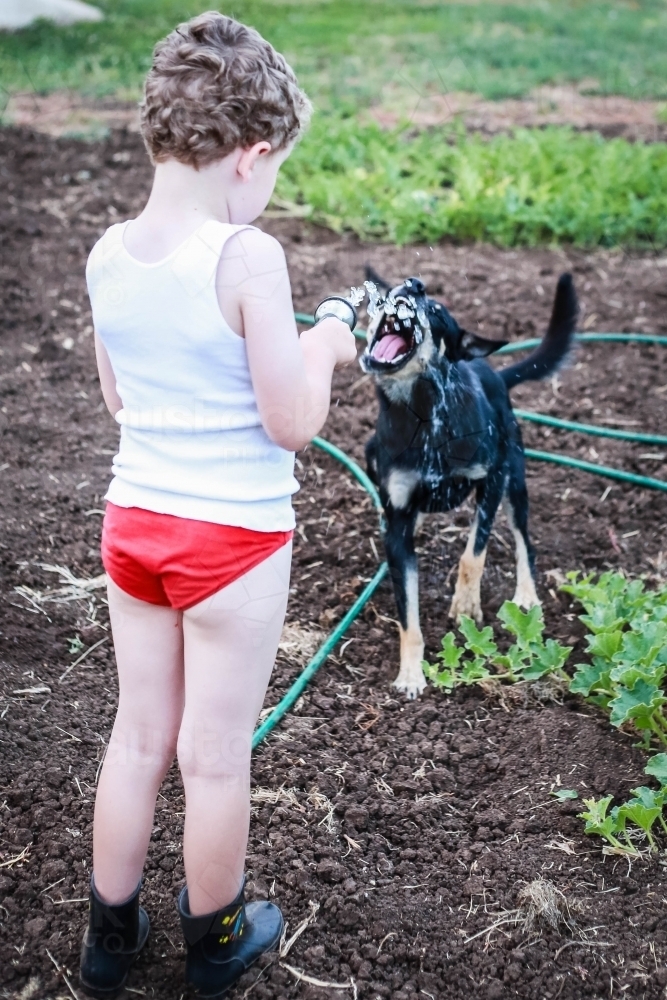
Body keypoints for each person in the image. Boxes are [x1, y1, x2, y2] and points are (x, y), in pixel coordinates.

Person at [80, 12, 356, 998]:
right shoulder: (247, 258)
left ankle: (107, 941)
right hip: (230, 542)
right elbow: (290, 422)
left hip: (134, 530)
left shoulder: (108, 254)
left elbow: (120, 400)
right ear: (252, 154)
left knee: (139, 734)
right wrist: (326, 340)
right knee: (214, 755)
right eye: (276, 167)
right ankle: (217, 937)